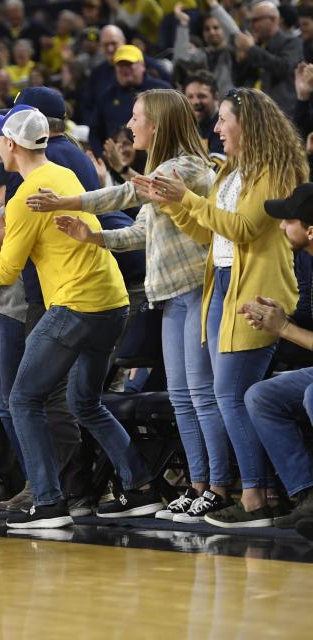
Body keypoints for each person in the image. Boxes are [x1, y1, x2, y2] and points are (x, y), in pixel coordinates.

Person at [0, 106, 159, 529]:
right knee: (85, 401)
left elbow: (6, 268)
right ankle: (141, 486)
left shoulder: (29, 192)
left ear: (9, 144)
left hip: (76, 304)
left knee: (22, 399)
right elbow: (13, 229)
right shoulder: (59, 176)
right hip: (112, 301)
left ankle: (48, 502)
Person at [28, 89, 231, 524]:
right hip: (172, 299)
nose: (131, 125)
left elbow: (121, 197)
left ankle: (219, 487)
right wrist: (93, 237)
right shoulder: (162, 169)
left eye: (137, 117)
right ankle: (197, 486)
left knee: (200, 395)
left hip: (198, 290)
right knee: (182, 396)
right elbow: (140, 233)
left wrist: (66, 200)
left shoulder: (185, 169)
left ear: (156, 124)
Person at [139, 87, 307, 528]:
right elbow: (212, 237)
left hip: (256, 290)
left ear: (245, 124)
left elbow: (245, 228)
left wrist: (187, 198)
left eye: (222, 120)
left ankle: (253, 497)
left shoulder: (271, 169)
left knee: (230, 395)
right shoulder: (229, 169)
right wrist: (173, 205)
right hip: (221, 286)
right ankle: (261, 491)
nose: (215, 129)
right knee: (229, 396)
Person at [236, 183, 313, 538]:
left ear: (310, 229)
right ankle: (306, 495)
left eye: (289, 221)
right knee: (261, 396)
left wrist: (283, 328)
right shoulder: (307, 260)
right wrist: (281, 318)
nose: (281, 227)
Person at [90, 44, 170, 156]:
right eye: (120, 65)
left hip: (154, 157)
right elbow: (95, 131)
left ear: (142, 65)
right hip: (117, 162)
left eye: (129, 64)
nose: (124, 69)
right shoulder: (106, 95)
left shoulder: (162, 91)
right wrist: (102, 157)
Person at [233, 1, 302, 116]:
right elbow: (240, 81)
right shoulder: (257, 45)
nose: (251, 25)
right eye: (250, 21)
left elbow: (283, 67)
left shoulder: (292, 42)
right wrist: (241, 61)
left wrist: (251, 49)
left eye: (256, 20)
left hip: (280, 111)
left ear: (273, 19)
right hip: (254, 109)